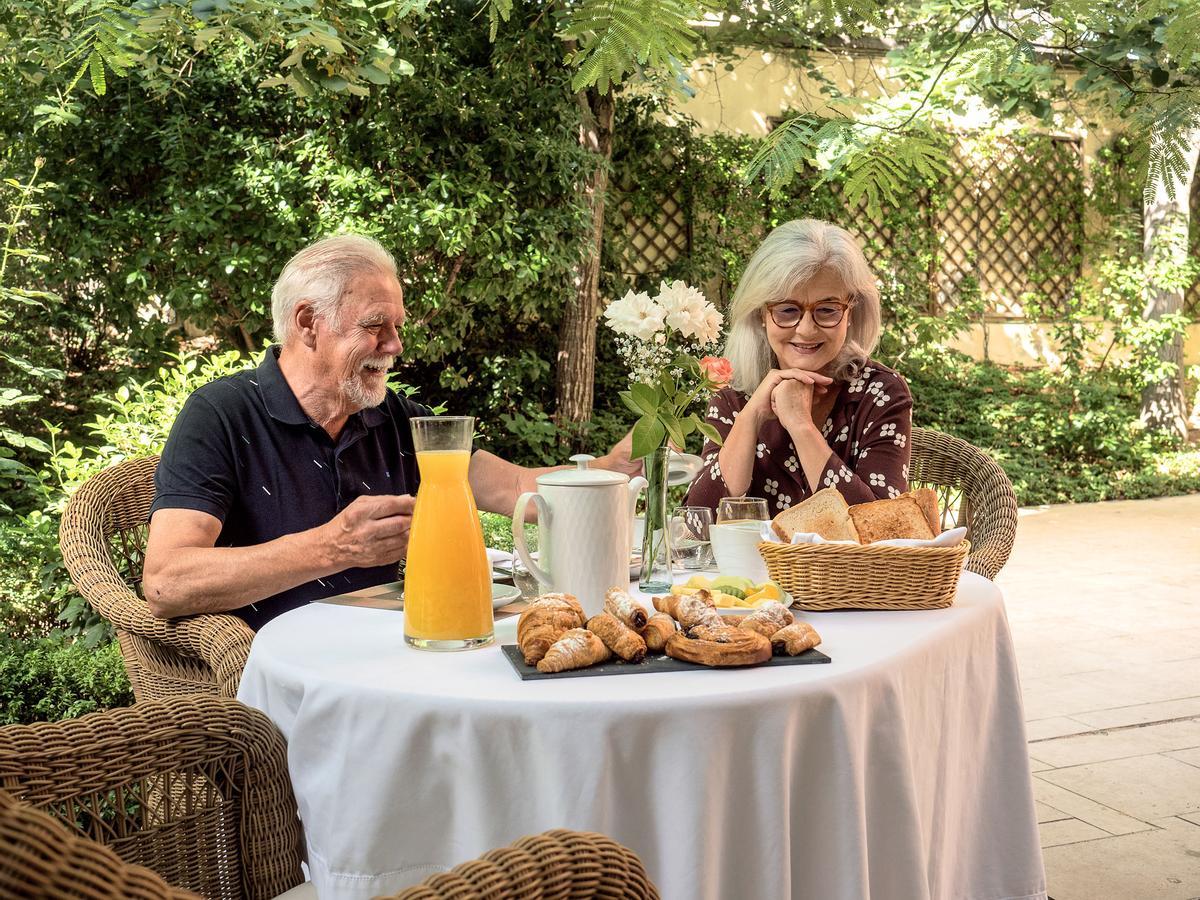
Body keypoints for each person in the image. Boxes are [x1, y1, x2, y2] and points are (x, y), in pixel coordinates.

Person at [142, 234, 640, 630]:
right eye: (376, 325)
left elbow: (511, 487)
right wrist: (333, 546)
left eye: (397, 326)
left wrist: (609, 470)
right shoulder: (221, 414)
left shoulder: (398, 419)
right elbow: (166, 581)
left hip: (388, 652)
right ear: (308, 323)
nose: (395, 345)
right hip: (273, 670)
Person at [684, 218, 911, 514]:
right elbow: (696, 525)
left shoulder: (882, 391)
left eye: (827, 310)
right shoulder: (734, 390)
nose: (805, 329)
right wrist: (750, 418)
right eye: (787, 310)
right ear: (762, 314)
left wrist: (801, 425)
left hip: (845, 564)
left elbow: (881, 529)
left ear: (851, 312)